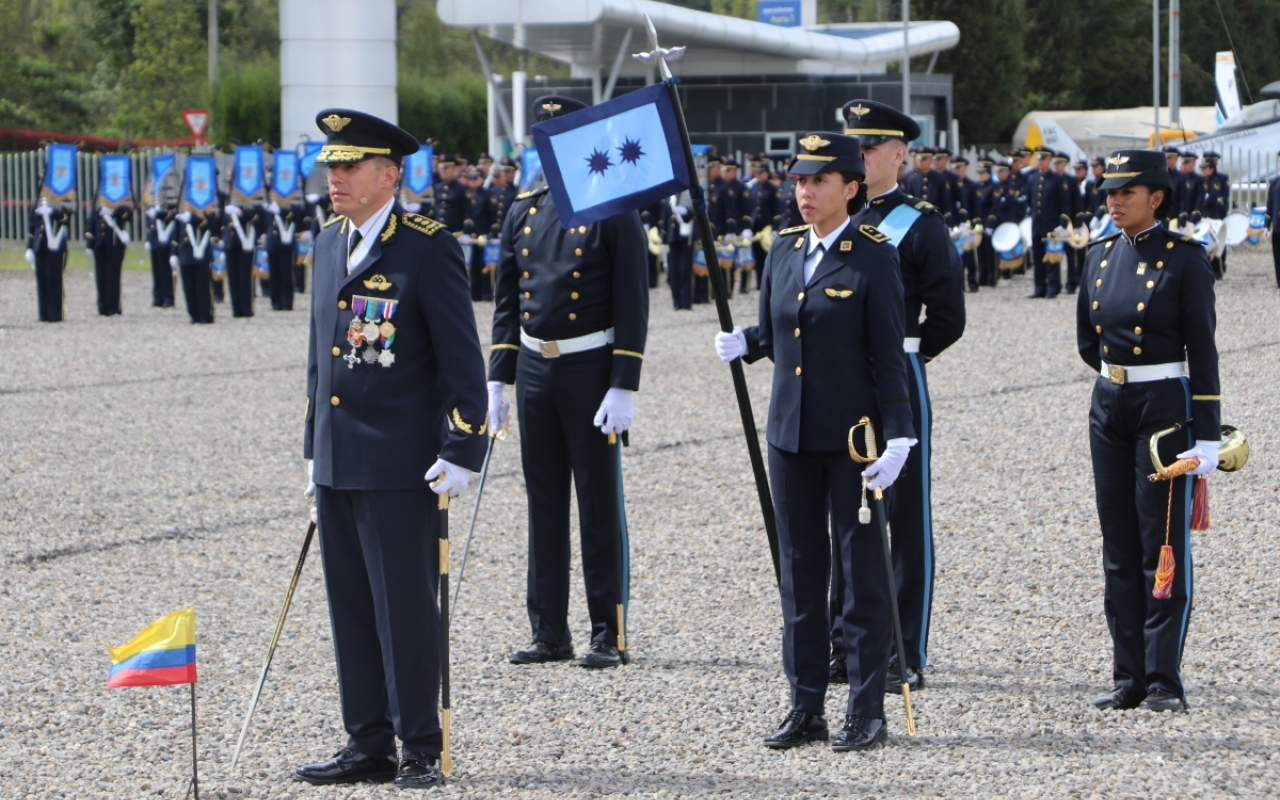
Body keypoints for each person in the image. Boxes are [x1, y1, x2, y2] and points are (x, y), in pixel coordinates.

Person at [298, 108, 488, 790]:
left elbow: (461, 362)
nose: (335, 178)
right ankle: (367, 739)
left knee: (404, 605)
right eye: (332, 167)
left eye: (349, 167)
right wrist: (312, 446)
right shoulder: (327, 244)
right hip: (340, 457)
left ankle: (418, 743)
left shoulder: (426, 246)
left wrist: (465, 446)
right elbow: (322, 359)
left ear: (390, 174)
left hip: (402, 460)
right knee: (349, 603)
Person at [714, 131, 915, 752]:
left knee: (859, 577)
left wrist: (900, 436)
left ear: (851, 188)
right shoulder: (783, 249)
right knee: (800, 577)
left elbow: (887, 357)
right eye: (799, 180)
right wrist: (749, 341)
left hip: (852, 443)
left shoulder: (873, 255)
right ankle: (806, 706)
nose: (804, 192)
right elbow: (786, 329)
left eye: (818, 181)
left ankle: (865, 709)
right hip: (790, 438)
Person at [488, 95, 649, 671]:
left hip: (590, 368)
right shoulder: (524, 208)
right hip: (535, 367)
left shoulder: (613, 208)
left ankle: (609, 631)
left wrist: (623, 382)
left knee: (599, 505)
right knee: (545, 501)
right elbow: (509, 301)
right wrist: (497, 381)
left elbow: (633, 300)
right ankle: (548, 630)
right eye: (545, 135)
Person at [1077, 149, 1219, 714]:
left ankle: (1163, 677)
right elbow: (1089, 343)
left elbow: (1203, 352)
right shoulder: (1099, 256)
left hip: (1165, 406)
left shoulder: (1185, 259)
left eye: (1126, 193)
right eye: (1109, 193)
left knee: (1160, 540)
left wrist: (1205, 435)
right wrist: (1118, 381)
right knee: (1117, 540)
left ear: (1155, 198)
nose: (1114, 201)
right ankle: (1127, 675)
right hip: (1111, 402)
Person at [835, 100, 965, 693]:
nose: (860, 156)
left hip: (897, 374)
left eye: (870, 148)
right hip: (839, 377)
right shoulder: (832, 217)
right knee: (843, 512)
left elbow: (949, 315)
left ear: (898, 154)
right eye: (852, 147)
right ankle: (845, 643)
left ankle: (903, 651)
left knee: (905, 518)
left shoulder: (918, 222)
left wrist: (906, 356)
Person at [1024, 146, 1073, 298]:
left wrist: (1063, 224)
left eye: (1043, 158)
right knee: (1037, 257)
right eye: (1039, 158)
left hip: (1052, 225)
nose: (1040, 161)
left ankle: (1053, 286)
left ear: (1050, 160)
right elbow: (1030, 201)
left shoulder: (1057, 179)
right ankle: (1039, 287)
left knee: (1052, 257)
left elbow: (1064, 204)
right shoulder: (1032, 178)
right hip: (1037, 224)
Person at [172, 206, 221, 324]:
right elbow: (176, 234)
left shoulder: (207, 211)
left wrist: (192, 218)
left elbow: (209, 225)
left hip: (202, 253)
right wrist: (173, 253)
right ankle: (193, 314)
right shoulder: (182, 214)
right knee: (188, 287)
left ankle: (205, 314)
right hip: (185, 253)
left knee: (202, 286)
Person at [86, 200, 132, 316]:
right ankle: (102, 308)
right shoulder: (97, 209)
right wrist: (89, 245)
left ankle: (113, 307)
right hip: (99, 245)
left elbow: (128, 216)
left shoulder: (120, 208)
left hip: (114, 246)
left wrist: (115, 211)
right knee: (100, 277)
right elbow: (90, 225)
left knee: (113, 277)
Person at [26, 198, 69, 322]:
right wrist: (29, 247)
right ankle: (43, 314)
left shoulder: (63, 201)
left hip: (55, 247)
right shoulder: (38, 201)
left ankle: (55, 314)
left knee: (54, 281)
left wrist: (53, 212)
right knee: (42, 281)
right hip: (39, 246)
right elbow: (32, 227)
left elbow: (67, 219)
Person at [223, 199, 262, 317]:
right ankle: (236, 309)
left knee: (246, 277)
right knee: (233, 278)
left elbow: (256, 218)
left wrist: (241, 213)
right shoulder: (226, 199)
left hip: (246, 242)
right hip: (230, 242)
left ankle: (246, 308)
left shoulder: (252, 197)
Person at [1195, 152, 1230, 278]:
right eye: (1201, 168)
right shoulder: (1201, 180)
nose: (1202, 170)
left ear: (1212, 168)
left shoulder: (1217, 181)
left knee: (1217, 242)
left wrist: (1203, 199)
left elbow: (1212, 199)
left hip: (1214, 215)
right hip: (1203, 215)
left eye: (1205, 168)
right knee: (1205, 242)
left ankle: (1218, 269)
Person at [266, 199, 302, 310]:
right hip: (272, 241)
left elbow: (295, 216)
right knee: (274, 273)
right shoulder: (267, 199)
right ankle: (275, 302)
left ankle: (287, 302)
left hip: (285, 242)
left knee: (286, 273)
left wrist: (280, 211)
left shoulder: (291, 199)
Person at [144, 203, 178, 308]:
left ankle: (168, 298)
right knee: (156, 271)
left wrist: (159, 214)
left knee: (165, 271)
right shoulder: (154, 199)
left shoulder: (170, 195)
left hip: (166, 239)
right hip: (155, 239)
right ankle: (157, 297)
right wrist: (149, 239)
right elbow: (149, 222)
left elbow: (173, 214)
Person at [1267, 151, 1280, 288]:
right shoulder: (1275, 181)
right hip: (1278, 224)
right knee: (1277, 254)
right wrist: (1267, 224)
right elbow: (1270, 204)